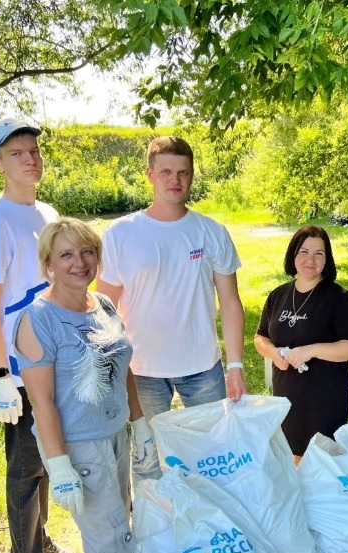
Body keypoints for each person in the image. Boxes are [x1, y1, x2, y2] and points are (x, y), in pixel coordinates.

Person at [15, 218, 157, 553]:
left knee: (121, 528)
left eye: (87, 253)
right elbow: (42, 404)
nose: (80, 263)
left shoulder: (104, 305)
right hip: (79, 448)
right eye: (66, 255)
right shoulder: (37, 320)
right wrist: (59, 467)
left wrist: (140, 423)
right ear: (48, 264)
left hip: (115, 434)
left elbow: (125, 368)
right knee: (109, 540)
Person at [97, 136, 245, 479]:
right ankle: (152, 529)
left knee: (213, 457)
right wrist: (110, 369)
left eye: (183, 172)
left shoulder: (211, 232)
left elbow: (231, 302)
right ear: (149, 174)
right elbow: (103, 310)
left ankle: (211, 526)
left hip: (202, 366)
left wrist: (235, 364)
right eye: (165, 171)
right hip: (141, 367)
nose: (174, 180)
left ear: (192, 175)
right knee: (149, 460)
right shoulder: (121, 233)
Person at [0, 118, 72, 553]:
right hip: (18, 365)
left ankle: (39, 538)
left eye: (34, 150)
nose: (30, 159)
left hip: (50, 356)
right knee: (27, 465)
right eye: (16, 153)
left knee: (50, 456)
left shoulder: (45, 212)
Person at [254, 226, 348, 457]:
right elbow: (260, 337)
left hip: (324, 400)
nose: (310, 260)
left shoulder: (339, 298)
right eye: (303, 252)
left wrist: (312, 350)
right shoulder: (278, 295)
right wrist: (273, 353)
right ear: (293, 255)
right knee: (290, 459)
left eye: (319, 253)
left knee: (321, 464)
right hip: (286, 397)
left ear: (327, 258)